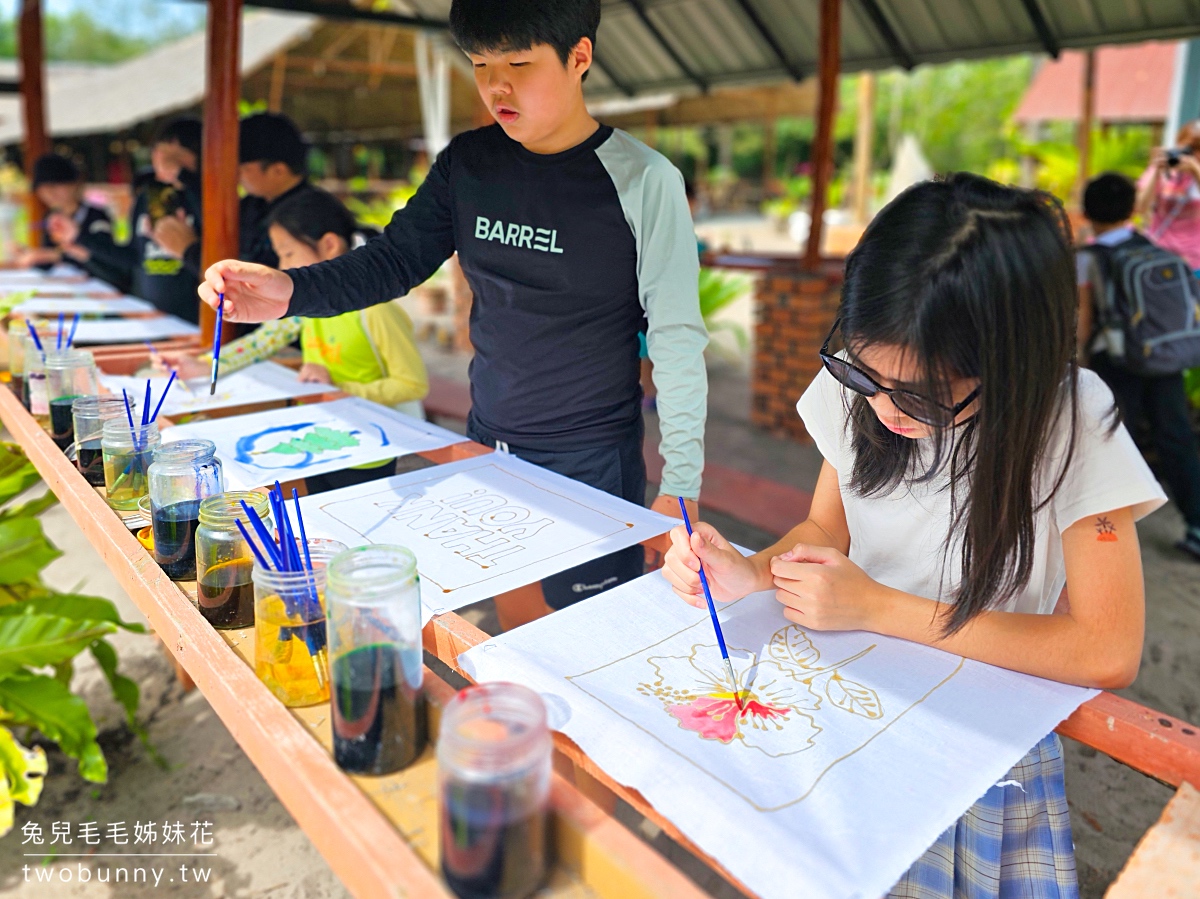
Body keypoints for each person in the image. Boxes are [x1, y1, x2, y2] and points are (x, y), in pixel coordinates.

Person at [663, 173, 1165, 897]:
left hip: (979, 740)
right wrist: (751, 570)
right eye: (865, 374)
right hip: (854, 701)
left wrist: (879, 609)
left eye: (923, 394)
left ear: (1011, 363)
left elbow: (1106, 647)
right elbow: (822, 528)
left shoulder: (1072, 421)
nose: (888, 408)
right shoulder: (859, 385)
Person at [197, 0, 708, 630]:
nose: (497, 85)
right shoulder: (469, 164)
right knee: (511, 626)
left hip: (590, 460)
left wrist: (681, 481)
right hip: (486, 441)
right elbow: (391, 260)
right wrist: (287, 291)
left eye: (519, 63)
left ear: (579, 58)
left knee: (584, 629)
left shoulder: (644, 181)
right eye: (481, 64)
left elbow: (678, 338)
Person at [162, 187, 428, 419]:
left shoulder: (376, 312)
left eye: (288, 254)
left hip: (381, 437)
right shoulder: (306, 310)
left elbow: (413, 385)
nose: (282, 267)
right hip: (334, 423)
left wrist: (338, 386)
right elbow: (260, 343)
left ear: (329, 245)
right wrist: (206, 364)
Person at [1077, 172, 1200, 560]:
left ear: (1086, 212)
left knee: (1110, 439)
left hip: (1115, 361)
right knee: (1175, 437)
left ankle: (1105, 530)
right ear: (1132, 208)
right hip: (1162, 358)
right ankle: (1197, 523)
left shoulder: (1087, 258)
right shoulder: (1154, 248)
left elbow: (1085, 318)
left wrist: (1079, 359)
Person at [51, 118, 202, 323]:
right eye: (160, 151)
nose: (166, 160)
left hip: (194, 320)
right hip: (150, 317)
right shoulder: (146, 197)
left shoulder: (205, 197)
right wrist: (80, 237)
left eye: (177, 154)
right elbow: (132, 258)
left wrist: (186, 179)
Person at [14, 154, 128, 290]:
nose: (49, 193)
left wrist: (55, 255)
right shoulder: (52, 217)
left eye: (55, 185)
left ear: (74, 184)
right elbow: (46, 264)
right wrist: (30, 255)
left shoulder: (95, 216)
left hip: (99, 290)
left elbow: (106, 260)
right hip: (66, 289)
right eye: (42, 189)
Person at [1135, 120, 1200, 273]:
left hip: (1195, 259)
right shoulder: (1164, 171)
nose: (1195, 154)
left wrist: (1195, 170)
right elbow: (1140, 207)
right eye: (1190, 148)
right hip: (1159, 253)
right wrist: (1156, 171)